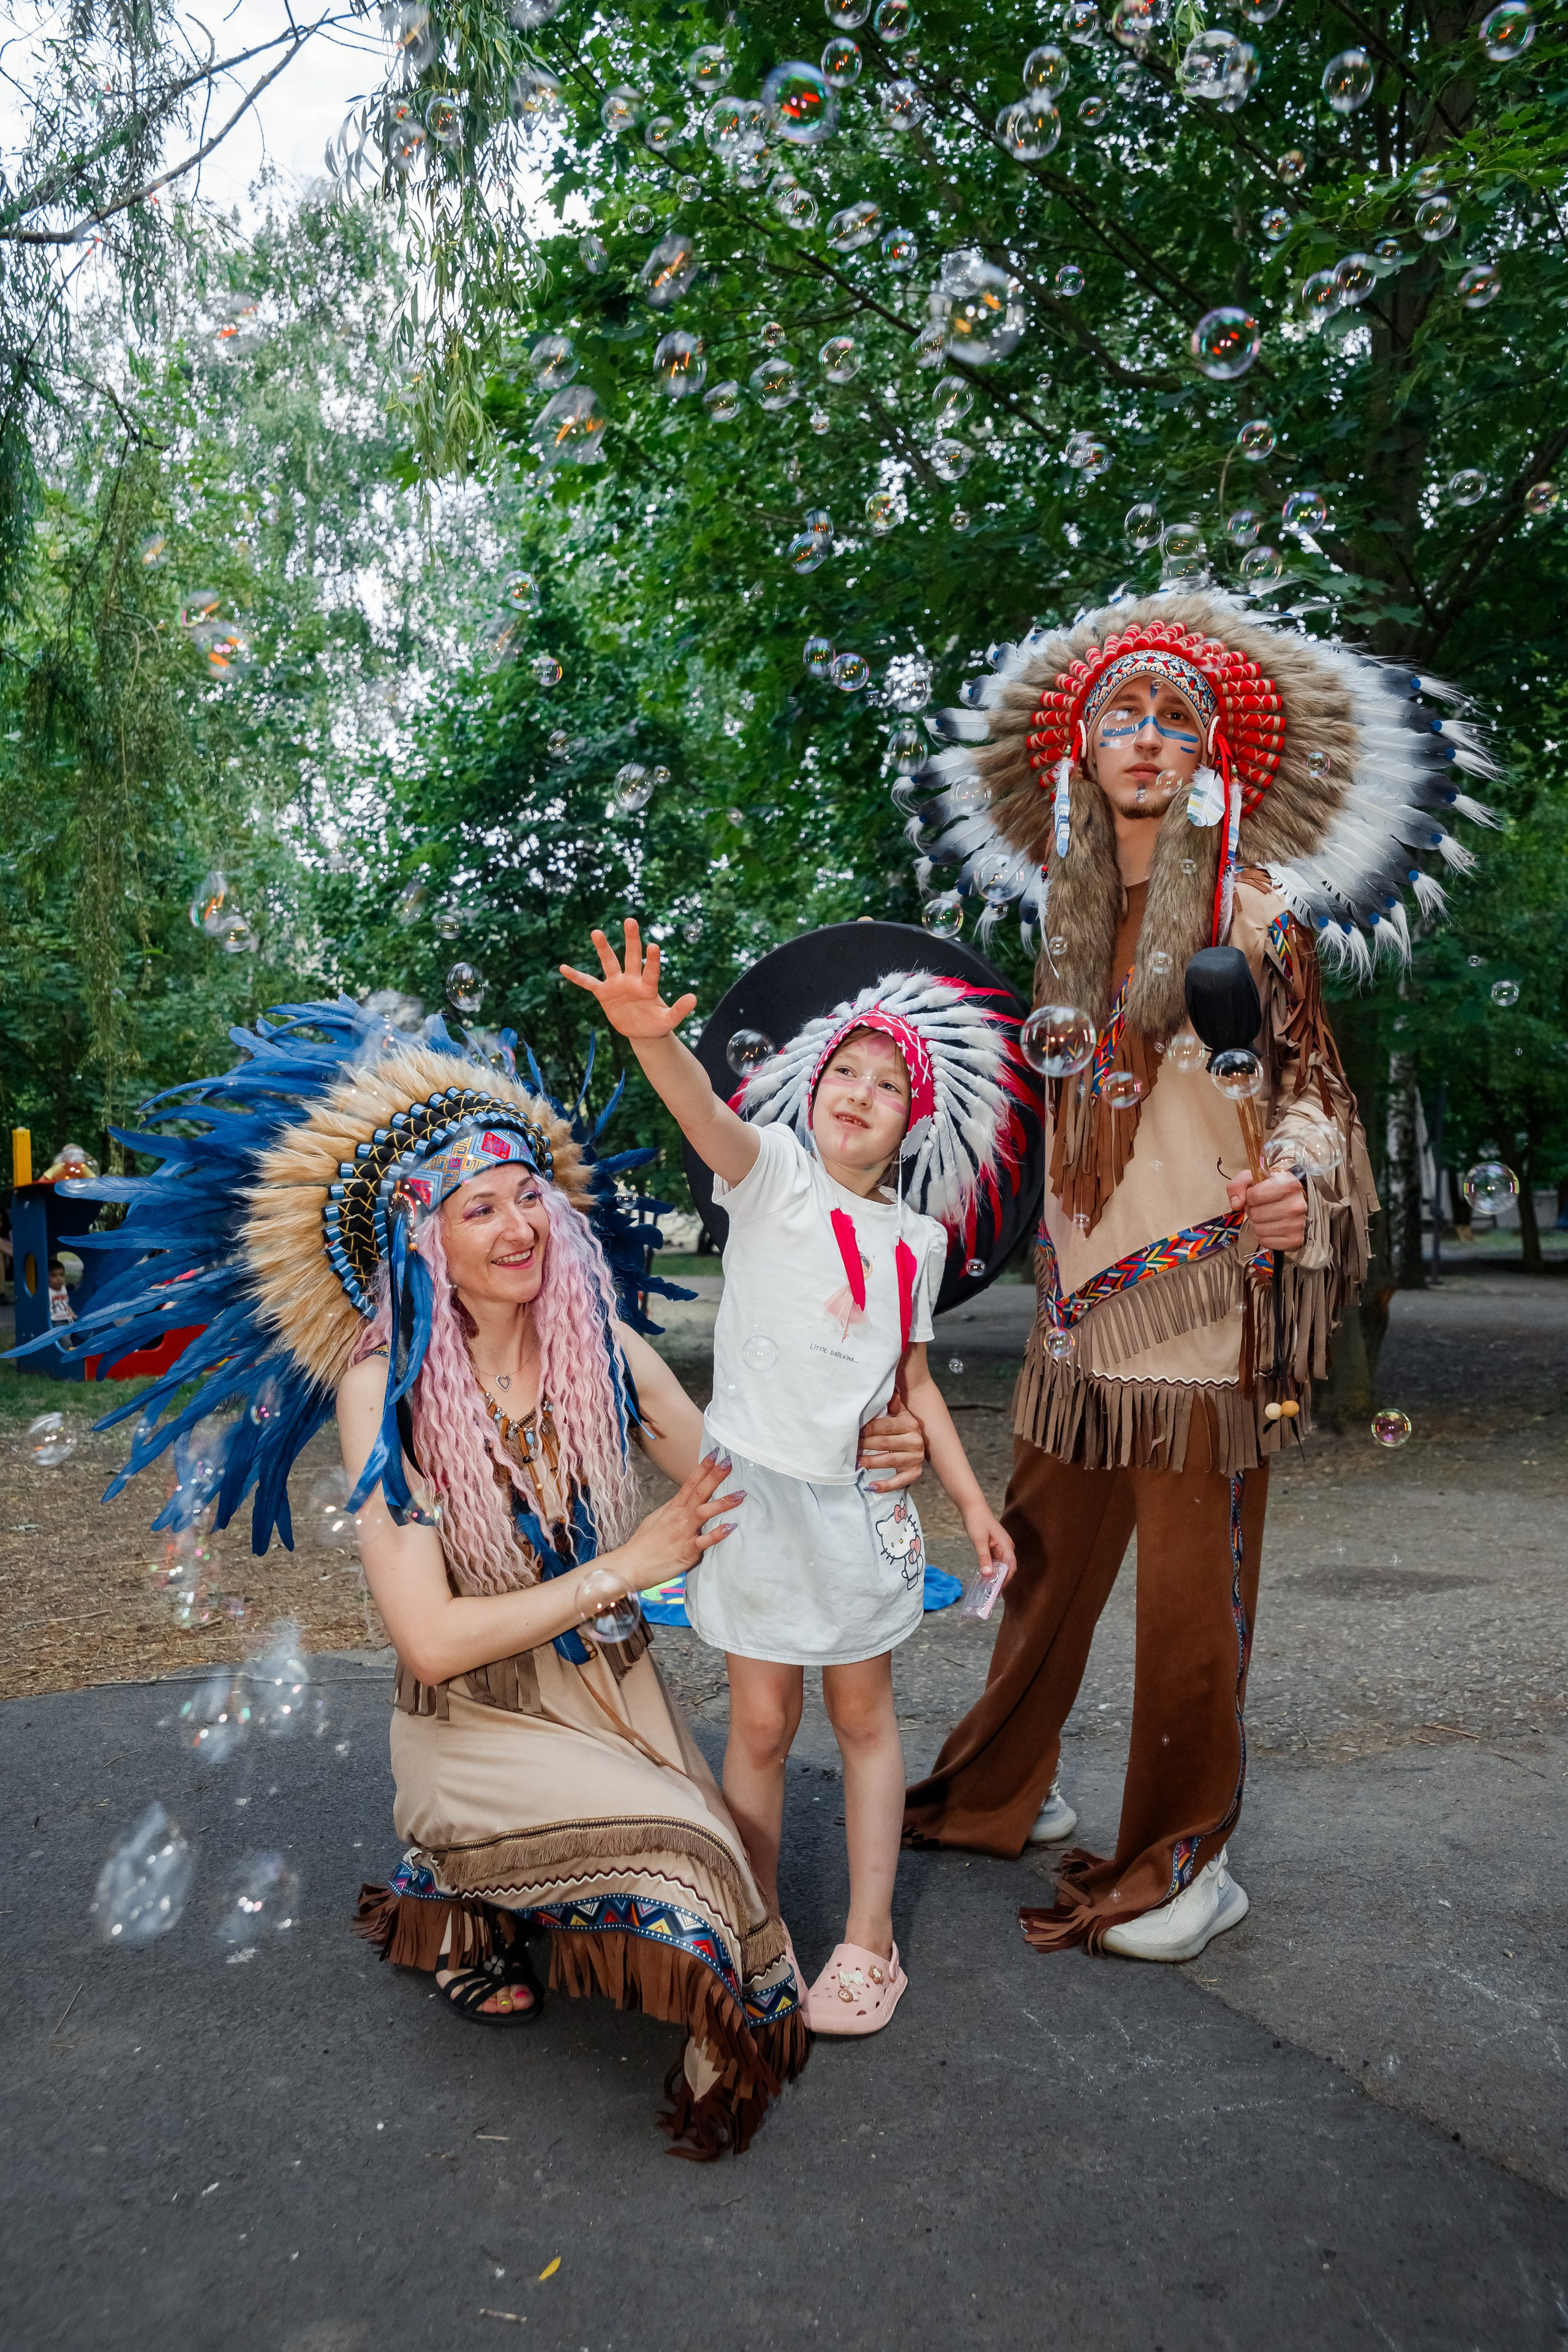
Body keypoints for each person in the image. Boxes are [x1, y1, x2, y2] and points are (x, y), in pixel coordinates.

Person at [32, 995, 924, 2156]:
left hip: (609, 1698)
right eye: (478, 1208)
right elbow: (432, 1643)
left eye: (527, 1199)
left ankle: (495, 1896)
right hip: (474, 1718)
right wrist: (630, 1564)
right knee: (707, 1871)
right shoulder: (382, 1388)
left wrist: (869, 1445)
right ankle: (454, 1887)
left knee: (718, 1879)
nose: (519, 1229)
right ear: (423, 1239)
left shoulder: (597, 1339)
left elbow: (732, 1470)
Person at [903, 590, 1494, 1960]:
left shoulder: (1254, 909)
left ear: (1212, 757)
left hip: (1202, 1308)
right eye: (1123, 717)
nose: (1149, 740)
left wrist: (1298, 1177)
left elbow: (1319, 1096)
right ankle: (999, 1791)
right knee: (1043, 1568)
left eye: (1178, 721)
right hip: (1073, 1305)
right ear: (1076, 750)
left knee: (1186, 1600)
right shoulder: (1059, 917)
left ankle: (1184, 1860)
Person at [564, 922, 1025, 2034]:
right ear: (812, 1092)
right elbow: (703, 1115)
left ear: (916, 1121)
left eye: (887, 1084)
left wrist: (971, 1503)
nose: (859, 1093)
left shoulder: (916, 1240)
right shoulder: (769, 1178)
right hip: (754, 1503)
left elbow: (908, 1377)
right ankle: (755, 1921)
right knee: (760, 1726)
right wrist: (650, 1042)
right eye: (843, 1073)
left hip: (856, 1514)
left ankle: (871, 1942)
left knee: (865, 1720)